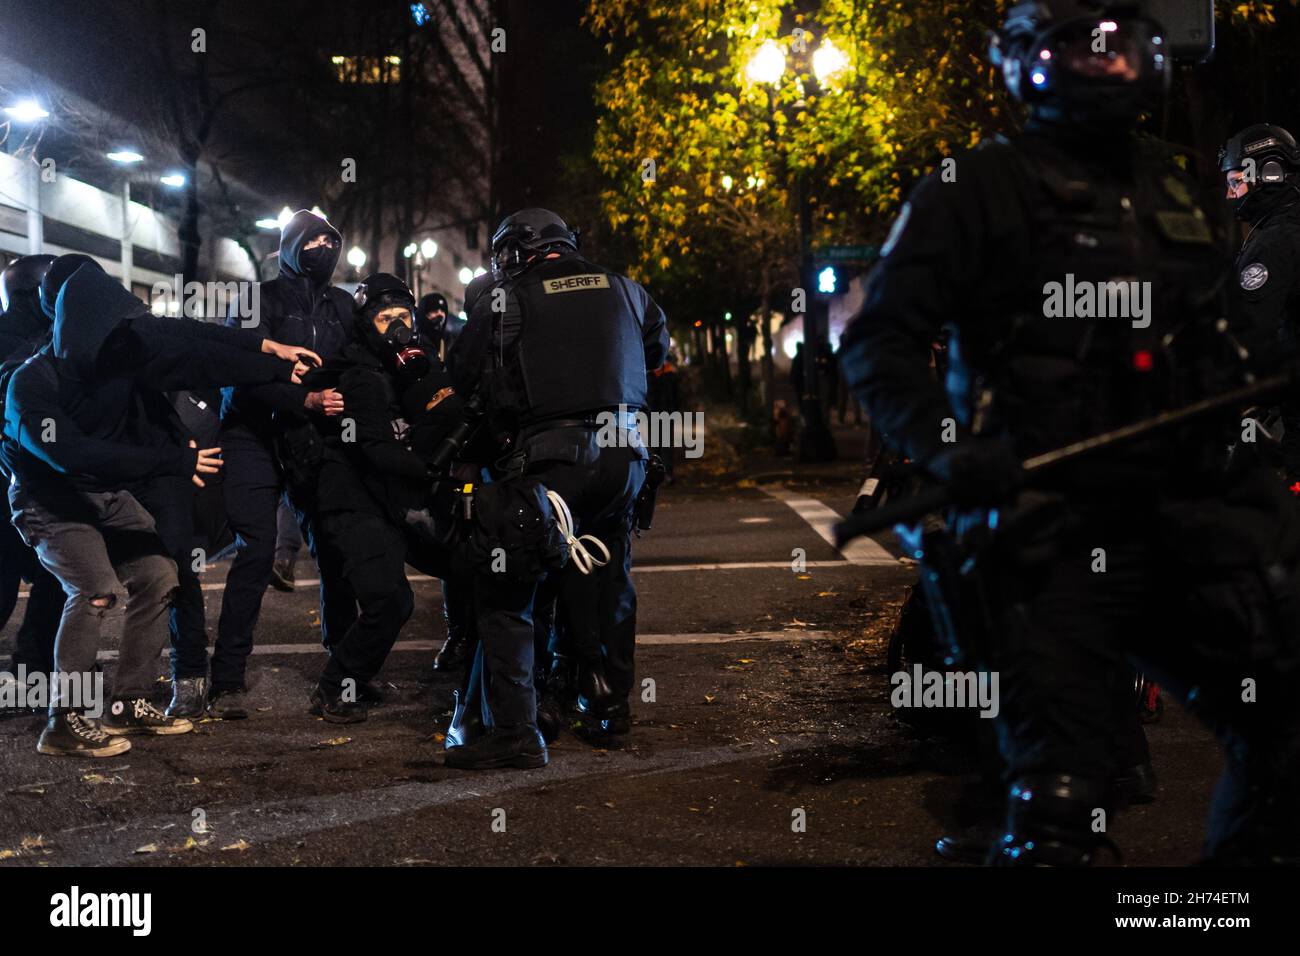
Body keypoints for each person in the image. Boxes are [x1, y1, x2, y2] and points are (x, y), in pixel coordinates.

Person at [840, 0, 1300, 865]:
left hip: (1177, 513)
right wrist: (949, 448)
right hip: (1044, 522)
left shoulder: (1170, 184)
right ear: (1026, 66)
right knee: (1062, 805)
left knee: (1284, 735)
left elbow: (1210, 340)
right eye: (1079, 52)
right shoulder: (976, 186)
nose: (1106, 65)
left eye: (1121, 48)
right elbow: (878, 341)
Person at [2, 257, 315, 756]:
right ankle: (64, 719)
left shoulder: (120, 358)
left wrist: (274, 361)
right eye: (114, 328)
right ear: (81, 327)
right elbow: (72, 455)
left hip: (105, 494)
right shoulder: (31, 384)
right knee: (96, 590)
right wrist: (170, 460)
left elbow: (195, 352)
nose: (126, 337)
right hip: (50, 501)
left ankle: (128, 700)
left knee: (161, 575)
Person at [448, 208, 669, 765]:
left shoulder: (509, 296)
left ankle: (513, 728)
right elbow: (656, 354)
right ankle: (609, 708)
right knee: (610, 579)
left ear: (517, 251)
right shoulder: (629, 288)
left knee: (508, 585)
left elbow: (465, 372)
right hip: (626, 459)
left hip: (551, 460)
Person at [285, 272, 465, 721]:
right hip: (350, 498)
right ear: (367, 323)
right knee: (389, 600)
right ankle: (335, 688)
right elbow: (376, 449)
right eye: (385, 318)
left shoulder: (406, 365)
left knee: (441, 575)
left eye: (403, 315)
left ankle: (352, 678)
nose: (397, 325)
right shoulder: (362, 375)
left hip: (381, 497)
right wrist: (433, 470)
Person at [211, 210, 354, 719]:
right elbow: (241, 370)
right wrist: (304, 400)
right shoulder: (258, 299)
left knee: (334, 552)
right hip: (253, 435)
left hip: (312, 442)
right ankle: (226, 677)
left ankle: (344, 674)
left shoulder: (342, 306)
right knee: (256, 550)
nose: (323, 248)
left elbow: (356, 367)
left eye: (330, 240)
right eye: (312, 240)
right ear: (292, 246)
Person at [1220, 124, 1300, 486]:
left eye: (1236, 181)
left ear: (1266, 174)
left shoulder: (1275, 242)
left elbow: (1249, 334)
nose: (1230, 193)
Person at [0, 255, 64, 697]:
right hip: (23, 480)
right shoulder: (41, 341)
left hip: (33, 478)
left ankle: (34, 667)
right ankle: (33, 666)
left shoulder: (55, 337)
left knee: (54, 578)